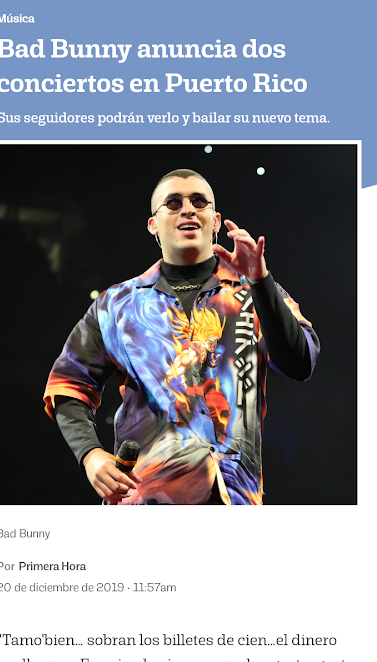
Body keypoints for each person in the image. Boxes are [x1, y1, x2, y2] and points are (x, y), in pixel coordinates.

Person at [44, 168, 320, 505]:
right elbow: (67, 384)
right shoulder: (117, 305)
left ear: (215, 221)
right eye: (173, 203)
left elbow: (300, 364)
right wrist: (90, 455)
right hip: (147, 502)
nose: (188, 209)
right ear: (153, 224)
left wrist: (261, 282)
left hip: (235, 502)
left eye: (199, 202)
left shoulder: (255, 292)